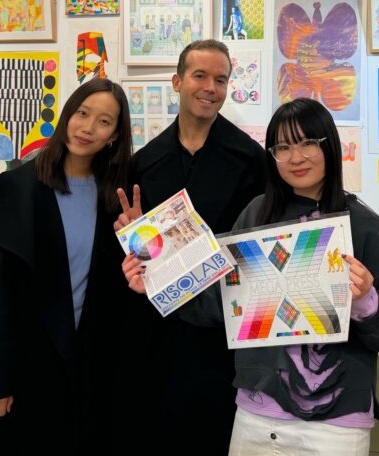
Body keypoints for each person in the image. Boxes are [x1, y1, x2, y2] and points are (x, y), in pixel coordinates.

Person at [123, 97, 379, 455]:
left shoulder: (362, 224)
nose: (295, 157)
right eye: (283, 147)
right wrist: (153, 279)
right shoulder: (255, 215)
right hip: (257, 414)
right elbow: (218, 303)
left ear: (330, 146)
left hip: (335, 424)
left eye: (308, 143)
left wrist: (366, 299)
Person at [0, 78, 133, 454]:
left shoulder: (114, 197)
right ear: (68, 115)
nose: (87, 128)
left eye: (103, 121)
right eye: (82, 114)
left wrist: (138, 238)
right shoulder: (19, 186)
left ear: (115, 135)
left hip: (80, 369)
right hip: (22, 367)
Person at [115, 39, 267, 453]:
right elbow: (137, 258)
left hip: (222, 332)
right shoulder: (143, 163)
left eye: (220, 79)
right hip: (156, 332)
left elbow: (260, 246)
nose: (210, 87)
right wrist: (133, 240)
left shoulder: (253, 161)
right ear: (177, 81)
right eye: (200, 76)